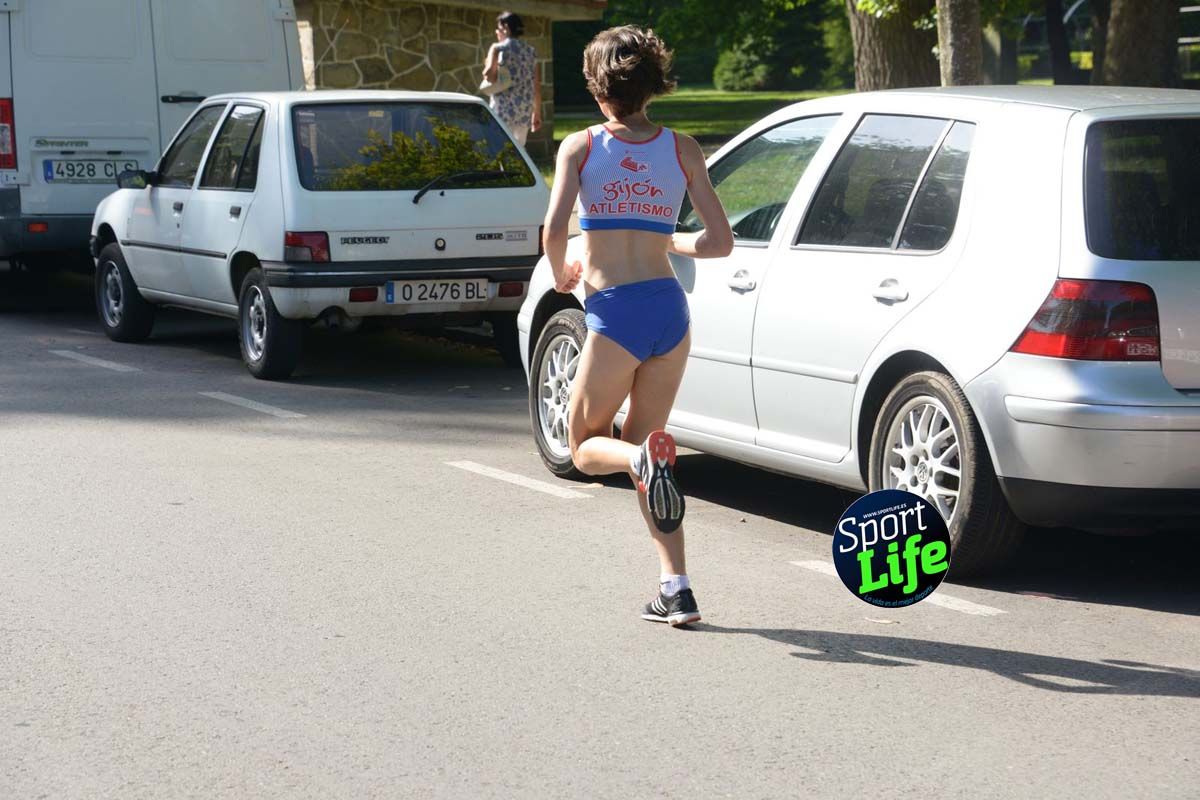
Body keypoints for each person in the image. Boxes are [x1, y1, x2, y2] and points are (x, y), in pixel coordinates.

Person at [541, 26, 734, 627]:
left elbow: (551, 232)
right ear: (653, 86)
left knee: (586, 444)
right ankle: (676, 588)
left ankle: (638, 465)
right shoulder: (683, 148)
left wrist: (562, 272)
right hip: (668, 309)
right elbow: (721, 242)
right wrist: (670, 238)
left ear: (599, 89)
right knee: (652, 441)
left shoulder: (581, 146)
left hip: (614, 309)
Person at [482, 11, 541, 147]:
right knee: (519, 151)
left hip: (502, 109)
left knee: (499, 149)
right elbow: (536, 84)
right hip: (524, 111)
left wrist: (488, 62)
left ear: (506, 27)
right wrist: (536, 112)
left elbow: (489, 76)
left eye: (498, 28)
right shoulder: (531, 51)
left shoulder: (497, 48)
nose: (497, 32)